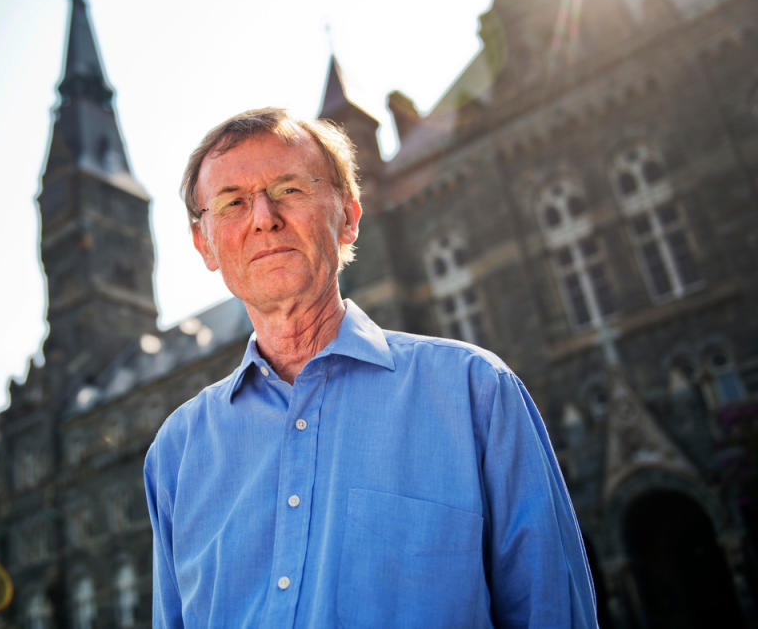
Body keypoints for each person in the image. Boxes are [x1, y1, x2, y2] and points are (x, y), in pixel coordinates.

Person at [144, 108, 598, 628]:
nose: (263, 217)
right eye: (232, 203)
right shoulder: (176, 455)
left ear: (349, 217)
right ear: (205, 245)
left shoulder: (476, 394)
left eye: (290, 189)